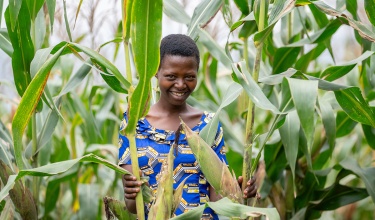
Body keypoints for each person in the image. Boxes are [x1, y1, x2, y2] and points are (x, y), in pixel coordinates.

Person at [118, 34, 257, 219]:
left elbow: (218, 199)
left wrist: (239, 191)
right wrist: (130, 194)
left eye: (189, 77)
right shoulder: (133, 124)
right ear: (155, 72)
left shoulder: (209, 125)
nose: (181, 84)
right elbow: (133, 206)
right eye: (171, 76)